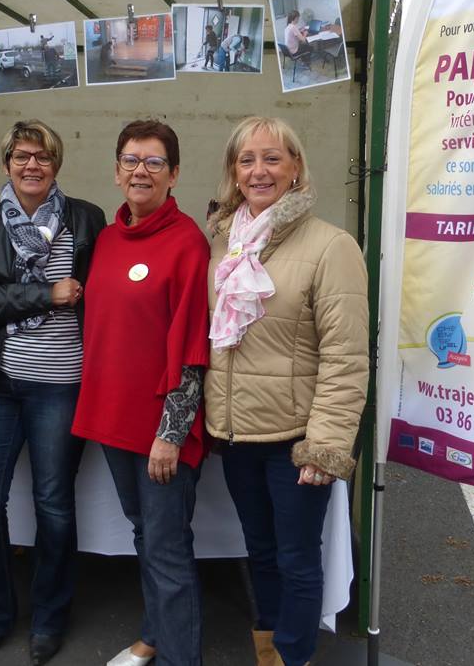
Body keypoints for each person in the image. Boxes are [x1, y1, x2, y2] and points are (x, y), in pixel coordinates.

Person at [204, 117, 367, 666]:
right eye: (247, 160)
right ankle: (266, 651)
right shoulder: (224, 243)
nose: (259, 170)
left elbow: (346, 359)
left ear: (296, 167)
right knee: (261, 551)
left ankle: (293, 657)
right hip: (236, 432)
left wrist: (325, 445)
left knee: (297, 558)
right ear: (234, 171)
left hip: (295, 438)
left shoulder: (331, 246)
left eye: (273, 158)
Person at [0, 120, 105, 666]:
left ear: (57, 164)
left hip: (62, 384)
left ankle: (49, 618)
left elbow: (103, 295)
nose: (32, 166)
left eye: (43, 157)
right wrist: (45, 293)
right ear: (6, 164)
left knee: (53, 504)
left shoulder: (85, 219)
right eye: (22, 156)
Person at [72, 120, 210, 666]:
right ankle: (154, 635)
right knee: (144, 536)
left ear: (173, 174)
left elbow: (194, 345)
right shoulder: (107, 238)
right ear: (116, 170)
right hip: (113, 419)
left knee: (168, 549)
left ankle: (181, 657)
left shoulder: (187, 243)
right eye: (131, 160)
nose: (140, 171)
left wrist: (171, 434)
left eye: (154, 162)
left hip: (160, 430)